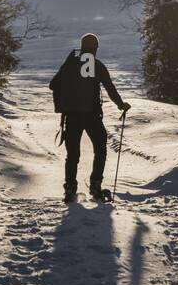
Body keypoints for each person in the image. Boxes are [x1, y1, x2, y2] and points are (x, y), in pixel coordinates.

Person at [49, 33, 130, 203]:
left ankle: (70, 189)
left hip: (72, 116)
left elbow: (53, 84)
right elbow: (109, 87)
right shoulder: (96, 65)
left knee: (72, 155)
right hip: (92, 115)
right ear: (95, 48)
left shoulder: (70, 63)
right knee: (100, 150)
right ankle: (95, 186)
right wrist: (121, 105)